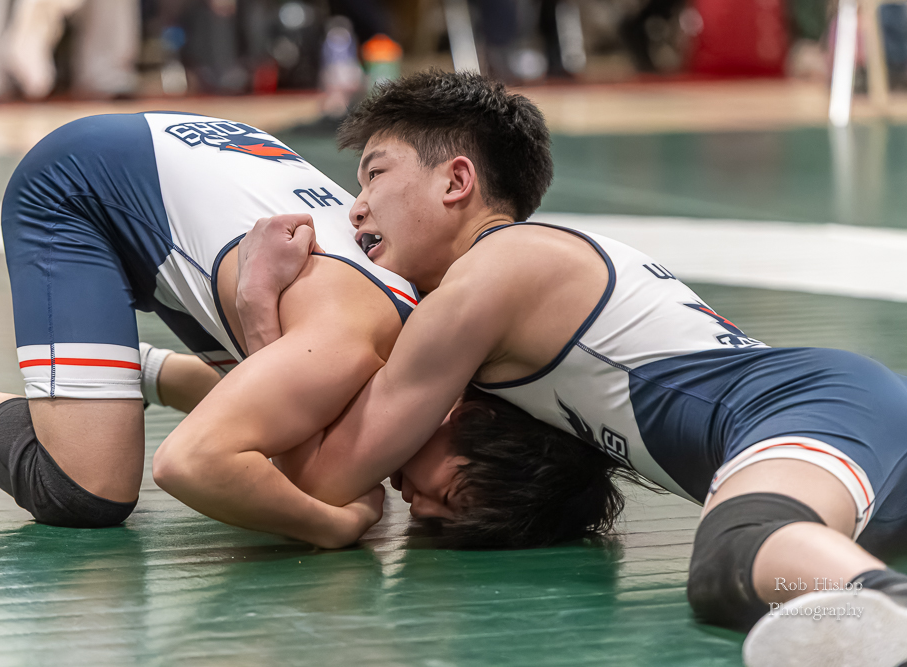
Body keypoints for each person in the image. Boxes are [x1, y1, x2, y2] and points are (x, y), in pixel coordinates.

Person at [237, 70, 907, 665]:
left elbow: (322, 479)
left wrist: (260, 313)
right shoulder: (529, 270)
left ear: (457, 181)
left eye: (376, 174)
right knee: (759, 563)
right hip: (845, 427)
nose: (356, 206)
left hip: (806, 412)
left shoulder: (487, 278)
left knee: (735, 555)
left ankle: (886, 603)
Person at [0, 111, 423, 548]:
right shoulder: (349, 339)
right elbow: (190, 463)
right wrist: (329, 525)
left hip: (204, 160)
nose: (418, 504)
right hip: (82, 184)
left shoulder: (426, 337)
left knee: (292, 412)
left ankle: (130, 371)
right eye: (454, 495)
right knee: (86, 490)